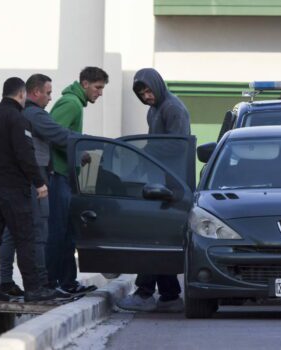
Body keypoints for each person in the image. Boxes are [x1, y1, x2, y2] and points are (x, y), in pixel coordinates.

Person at [0, 74, 81, 299]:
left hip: (0, 184)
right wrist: (39, 182)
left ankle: (1, 284)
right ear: (26, 93)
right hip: (23, 183)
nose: (50, 97)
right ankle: (38, 286)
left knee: (3, 236)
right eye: (48, 92)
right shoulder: (27, 116)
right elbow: (28, 153)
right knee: (32, 234)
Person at [117, 68, 190, 312]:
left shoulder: (173, 108)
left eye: (148, 90)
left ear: (157, 85)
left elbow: (176, 146)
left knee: (152, 237)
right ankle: (169, 296)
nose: (146, 96)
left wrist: (146, 154)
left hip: (170, 185)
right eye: (141, 93)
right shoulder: (154, 110)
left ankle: (145, 293)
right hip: (158, 182)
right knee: (158, 239)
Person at [0, 77, 56, 302]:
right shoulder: (18, 119)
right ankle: (33, 289)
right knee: (25, 238)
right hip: (13, 189)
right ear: (21, 95)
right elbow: (25, 156)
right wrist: (39, 183)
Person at [47, 67, 109, 293]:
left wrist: (78, 153)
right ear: (84, 83)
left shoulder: (75, 103)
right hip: (59, 176)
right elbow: (52, 134)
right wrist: (77, 152)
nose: (100, 93)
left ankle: (66, 283)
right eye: (97, 87)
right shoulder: (71, 103)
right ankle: (51, 283)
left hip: (65, 175)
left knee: (67, 232)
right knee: (59, 232)